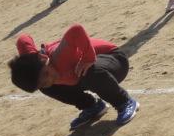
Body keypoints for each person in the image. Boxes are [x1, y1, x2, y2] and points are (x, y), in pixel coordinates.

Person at [9, 23, 139, 129]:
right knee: (47, 88)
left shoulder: (60, 55)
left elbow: (76, 30)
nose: (49, 80)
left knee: (87, 71)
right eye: (42, 82)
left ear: (44, 59)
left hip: (114, 60)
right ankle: (92, 106)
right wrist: (30, 56)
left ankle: (124, 102)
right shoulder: (38, 68)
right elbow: (23, 39)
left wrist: (88, 58)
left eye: (46, 74)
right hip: (80, 75)